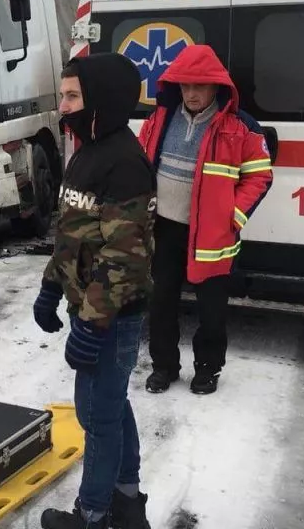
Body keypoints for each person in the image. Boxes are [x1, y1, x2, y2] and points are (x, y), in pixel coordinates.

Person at [36, 53, 156, 529]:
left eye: (71, 96)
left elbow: (125, 256)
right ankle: (127, 501)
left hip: (112, 313)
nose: (62, 106)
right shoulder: (87, 150)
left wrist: (91, 321)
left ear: (99, 101)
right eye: (61, 95)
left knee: (96, 414)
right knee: (111, 404)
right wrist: (51, 285)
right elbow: (74, 232)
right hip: (88, 304)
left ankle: (93, 516)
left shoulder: (124, 161)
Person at [137, 45, 272, 395]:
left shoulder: (240, 126)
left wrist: (233, 217)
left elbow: (259, 176)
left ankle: (208, 369)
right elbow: (140, 167)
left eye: (200, 86)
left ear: (216, 86)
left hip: (213, 236)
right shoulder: (159, 120)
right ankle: (163, 367)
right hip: (164, 230)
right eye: (185, 86)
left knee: (212, 310)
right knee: (161, 303)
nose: (192, 93)